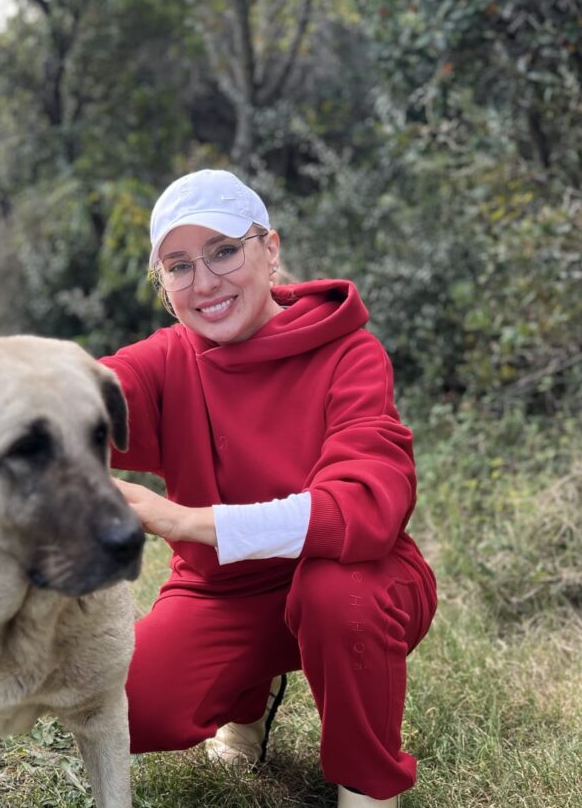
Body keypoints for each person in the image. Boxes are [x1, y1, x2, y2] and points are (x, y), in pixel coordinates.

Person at [101, 169, 437, 808]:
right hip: (225, 591)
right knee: (127, 709)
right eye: (178, 267)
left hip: (355, 575)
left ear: (270, 249)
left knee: (336, 595)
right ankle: (244, 701)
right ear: (164, 287)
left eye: (223, 251)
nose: (204, 282)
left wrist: (186, 522)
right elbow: (93, 388)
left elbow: (366, 507)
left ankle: (366, 786)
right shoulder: (169, 358)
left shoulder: (351, 353)